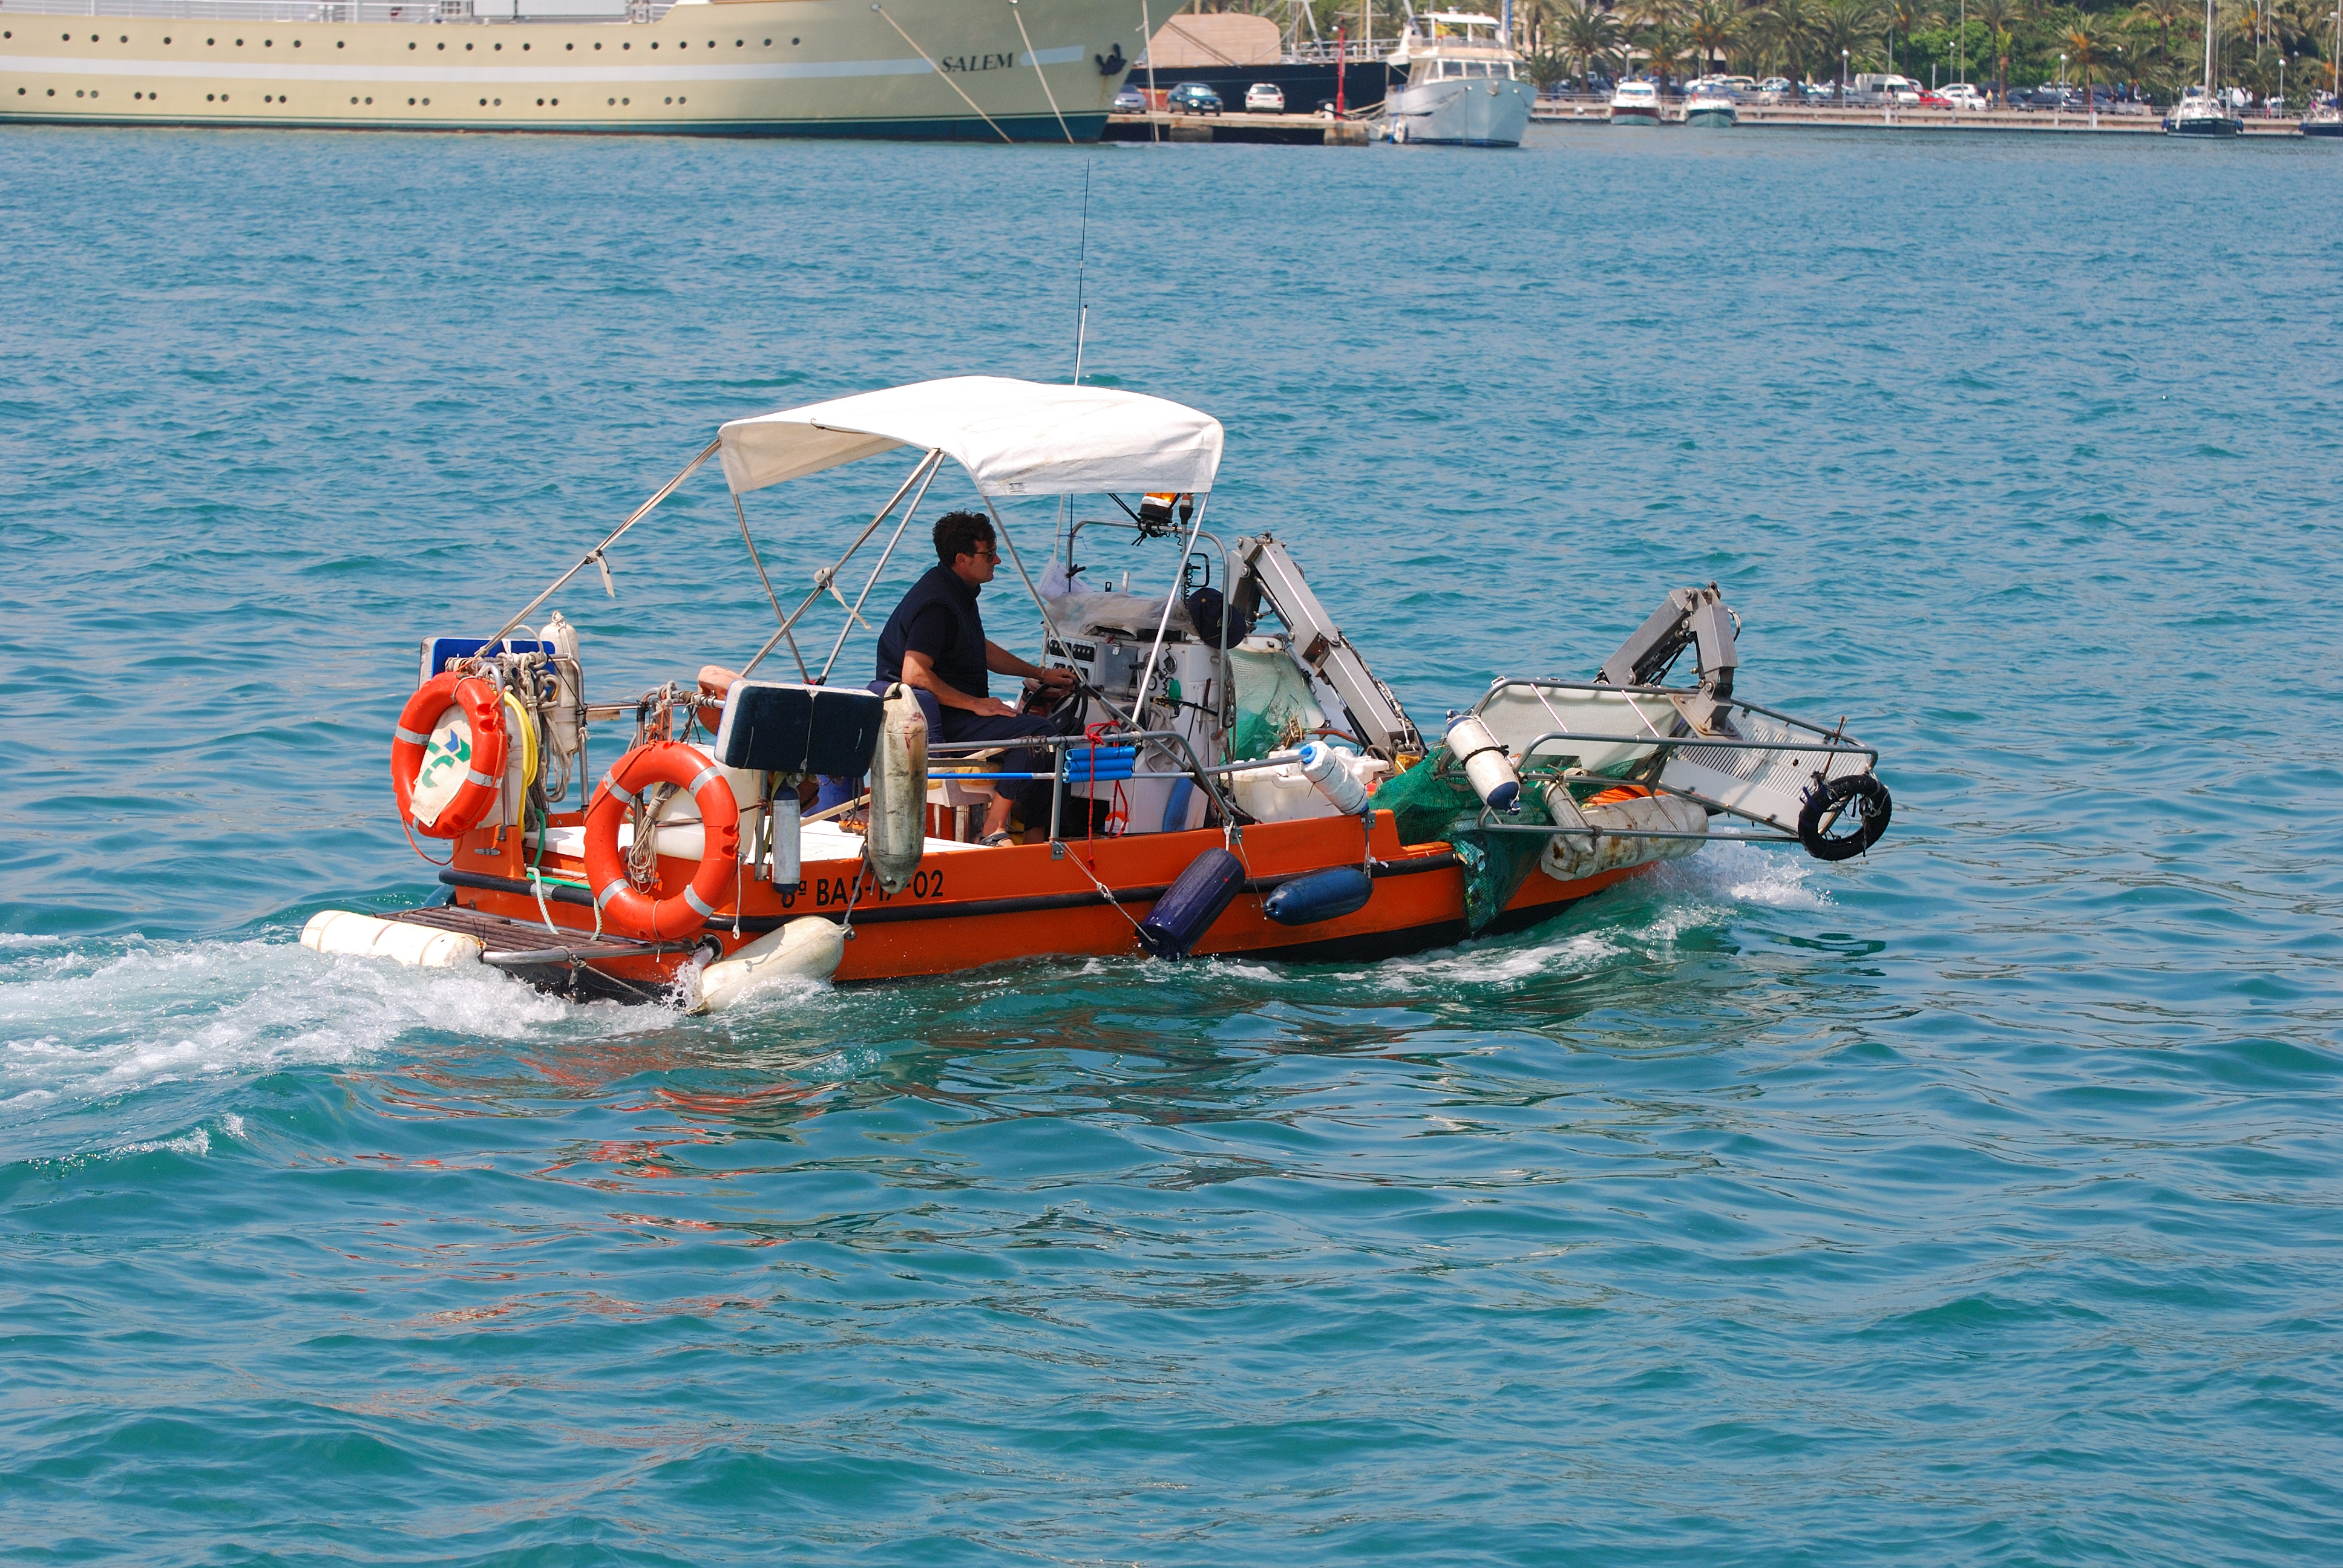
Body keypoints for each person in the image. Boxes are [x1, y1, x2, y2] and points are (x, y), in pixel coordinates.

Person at [874, 511, 1074, 843]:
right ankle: (993, 828)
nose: (996, 560)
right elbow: (914, 673)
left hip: (955, 709)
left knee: (1054, 738)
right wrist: (977, 704)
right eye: (988, 553)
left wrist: (1041, 674)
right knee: (1041, 733)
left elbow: (977, 647)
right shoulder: (938, 604)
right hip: (934, 718)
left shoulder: (956, 590)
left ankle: (1039, 836)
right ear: (962, 559)